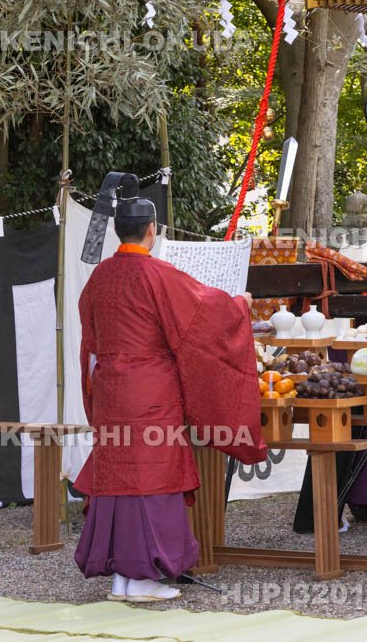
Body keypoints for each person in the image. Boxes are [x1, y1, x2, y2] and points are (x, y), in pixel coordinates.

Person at [73, 195, 266, 602]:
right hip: (149, 390)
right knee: (152, 478)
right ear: (152, 230)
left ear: (115, 229)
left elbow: (89, 344)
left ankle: (122, 578)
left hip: (109, 388)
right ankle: (144, 578)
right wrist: (240, 305)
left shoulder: (98, 278)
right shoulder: (157, 273)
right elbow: (204, 317)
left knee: (118, 477)